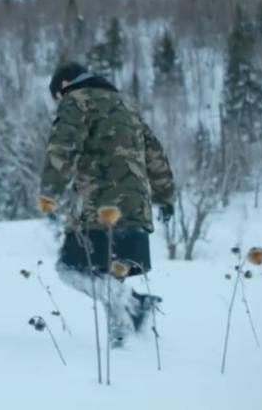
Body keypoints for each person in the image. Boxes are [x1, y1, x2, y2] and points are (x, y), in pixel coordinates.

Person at [37, 63, 175, 347]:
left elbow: (63, 146)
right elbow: (156, 155)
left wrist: (49, 190)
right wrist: (165, 196)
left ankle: (134, 305)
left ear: (64, 86)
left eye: (57, 97)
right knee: (111, 274)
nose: (59, 103)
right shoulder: (127, 106)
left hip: (99, 207)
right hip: (135, 208)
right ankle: (122, 340)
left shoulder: (77, 101)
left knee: (70, 269)